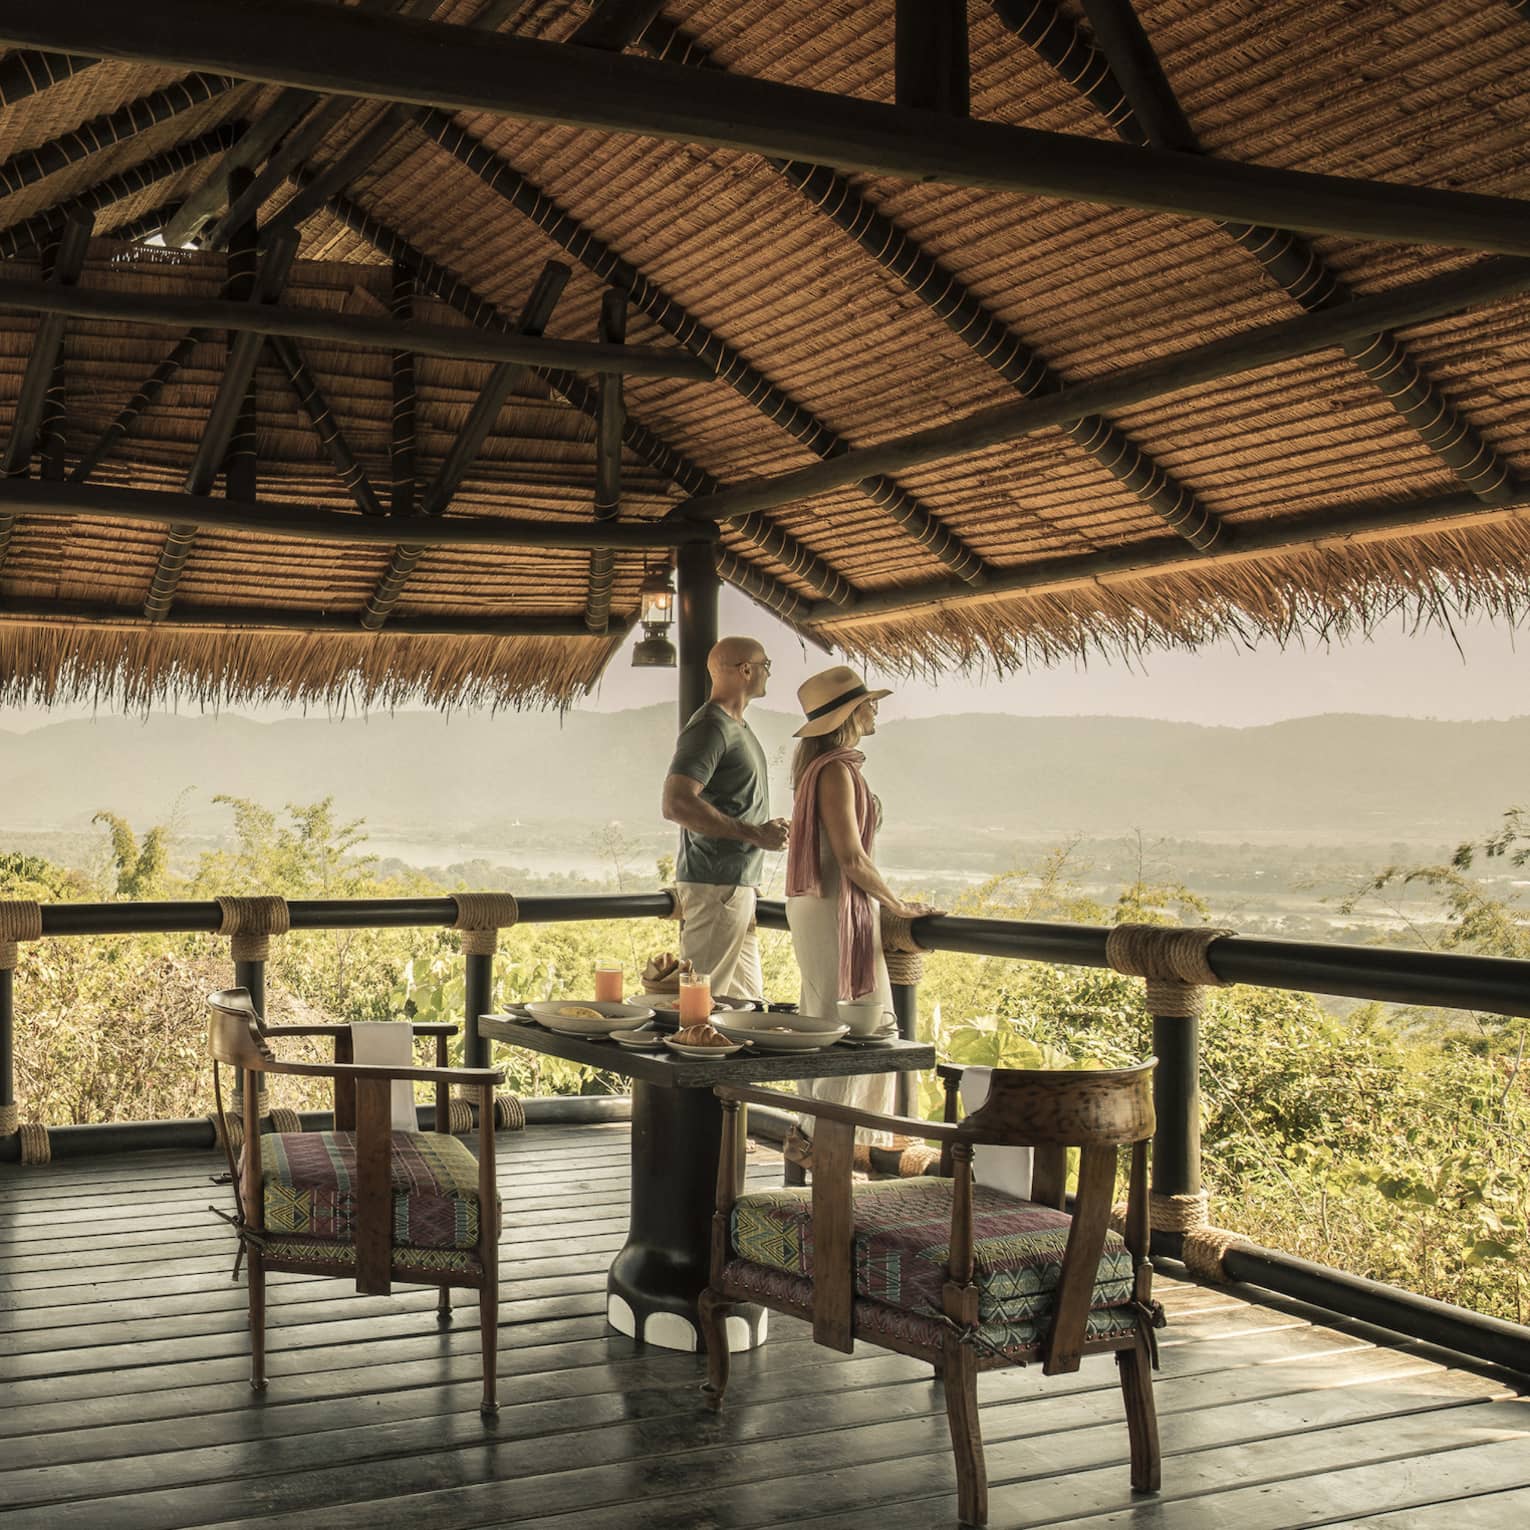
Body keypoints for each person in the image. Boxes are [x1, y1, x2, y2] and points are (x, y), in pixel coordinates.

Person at [784, 665, 942, 1164]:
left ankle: (815, 1140)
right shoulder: (834, 770)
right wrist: (897, 904)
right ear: (850, 714)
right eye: (869, 702)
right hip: (832, 907)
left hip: (825, 905)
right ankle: (820, 1146)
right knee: (851, 1027)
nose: (876, 708)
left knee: (830, 1021)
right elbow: (851, 857)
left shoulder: (833, 767)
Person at [661, 636, 790, 1002]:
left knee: (744, 1009)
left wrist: (763, 832)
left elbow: (732, 804)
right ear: (745, 669)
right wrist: (754, 834)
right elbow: (676, 803)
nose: (768, 673)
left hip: (734, 887)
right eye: (766, 665)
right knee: (701, 1006)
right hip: (716, 886)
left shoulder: (737, 727)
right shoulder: (710, 727)